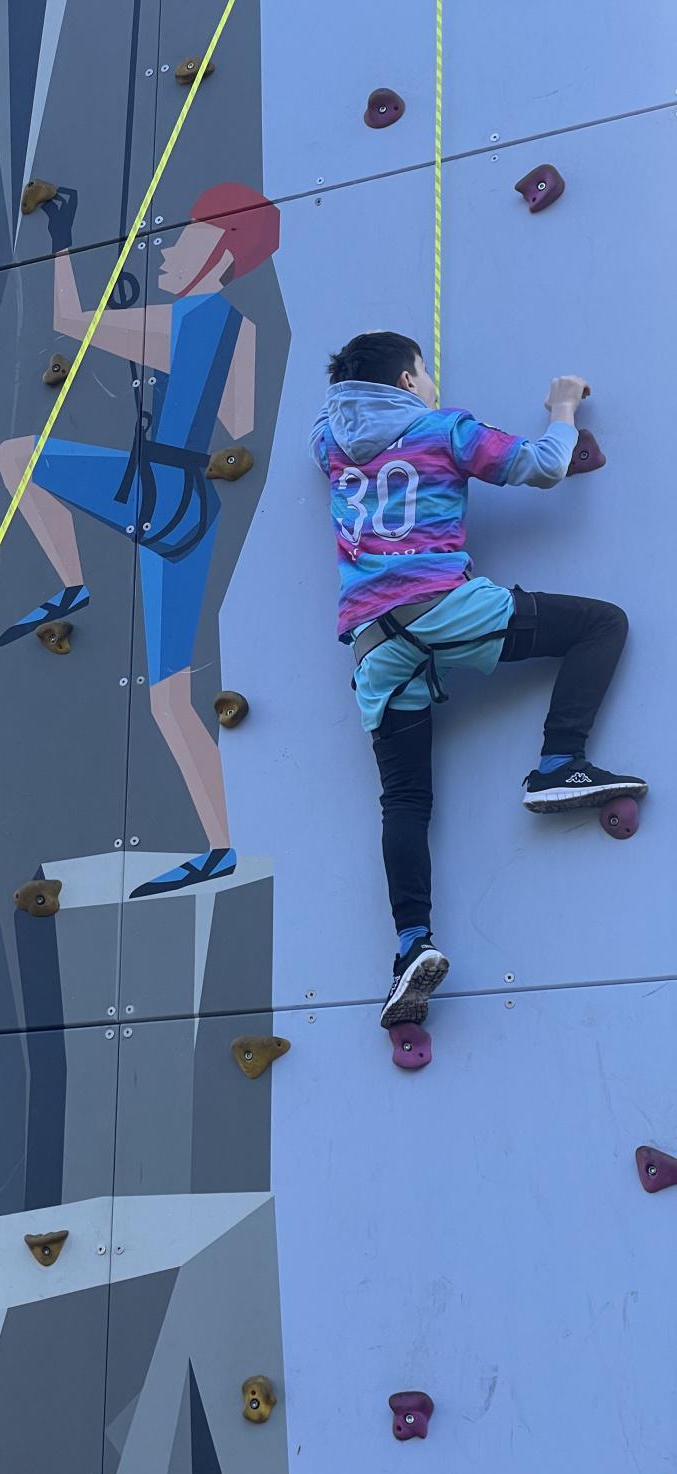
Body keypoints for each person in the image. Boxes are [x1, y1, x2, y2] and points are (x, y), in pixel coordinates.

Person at [308, 331, 646, 1030]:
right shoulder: (446, 429)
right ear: (405, 381)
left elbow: (331, 420)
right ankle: (560, 762)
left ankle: (410, 946)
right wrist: (562, 409)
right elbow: (543, 467)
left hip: (374, 640)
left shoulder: (332, 446)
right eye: (424, 372)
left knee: (404, 799)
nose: (432, 381)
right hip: (441, 605)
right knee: (602, 625)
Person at [0, 184, 280, 898]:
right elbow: (240, 421)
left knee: (17, 455)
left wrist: (63, 237)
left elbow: (68, 319)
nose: (164, 250)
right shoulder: (238, 330)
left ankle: (72, 581)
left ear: (216, 253)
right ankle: (219, 846)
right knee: (170, 698)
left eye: (181, 238)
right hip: (195, 504)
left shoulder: (185, 317)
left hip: (151, 491)